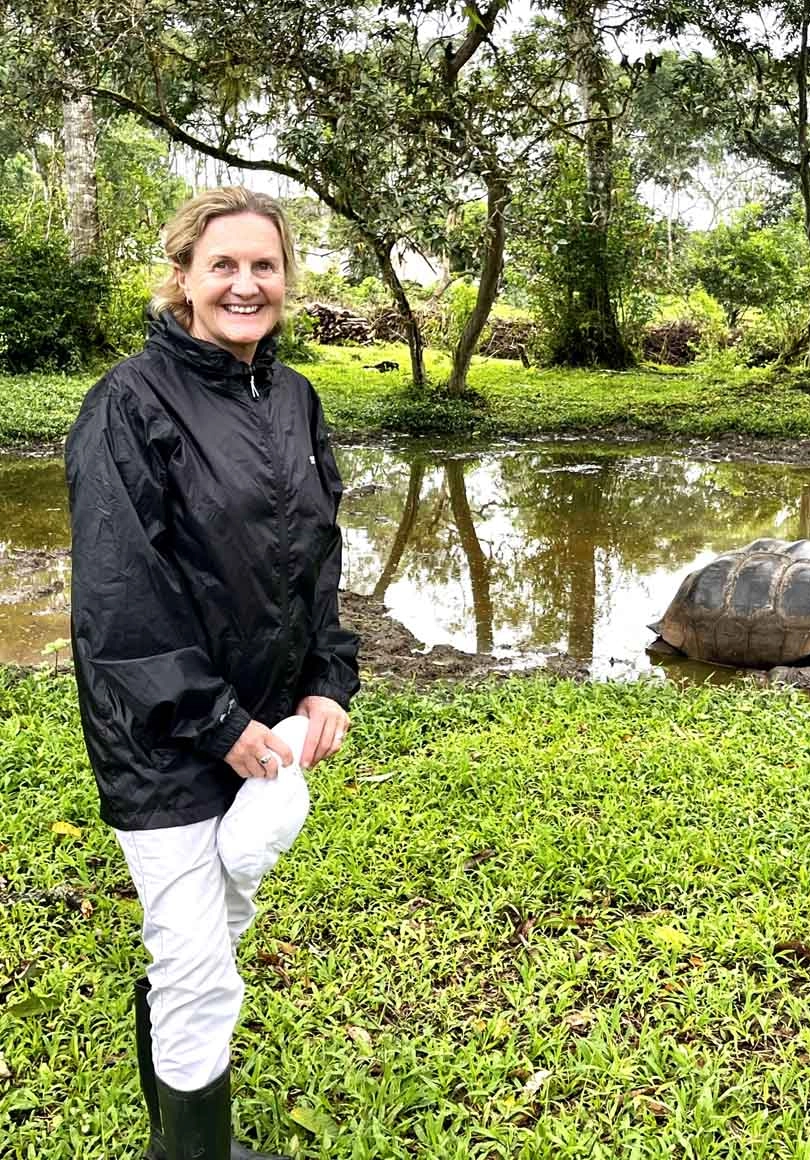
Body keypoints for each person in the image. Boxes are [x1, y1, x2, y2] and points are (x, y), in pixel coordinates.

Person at [65, 187, 360, 1159]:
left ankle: (174, 1111)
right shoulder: (127, 404)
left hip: (267, 733)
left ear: (287, 279)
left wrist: (328, 678)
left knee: (203, 937)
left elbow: (317, 556)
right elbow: (119, 598)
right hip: (164, 736)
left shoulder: (294, 397)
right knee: (203, 965)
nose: (245, 283)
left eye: (263, 265)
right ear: (183, 278)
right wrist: (212, 715)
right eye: (223, 265)